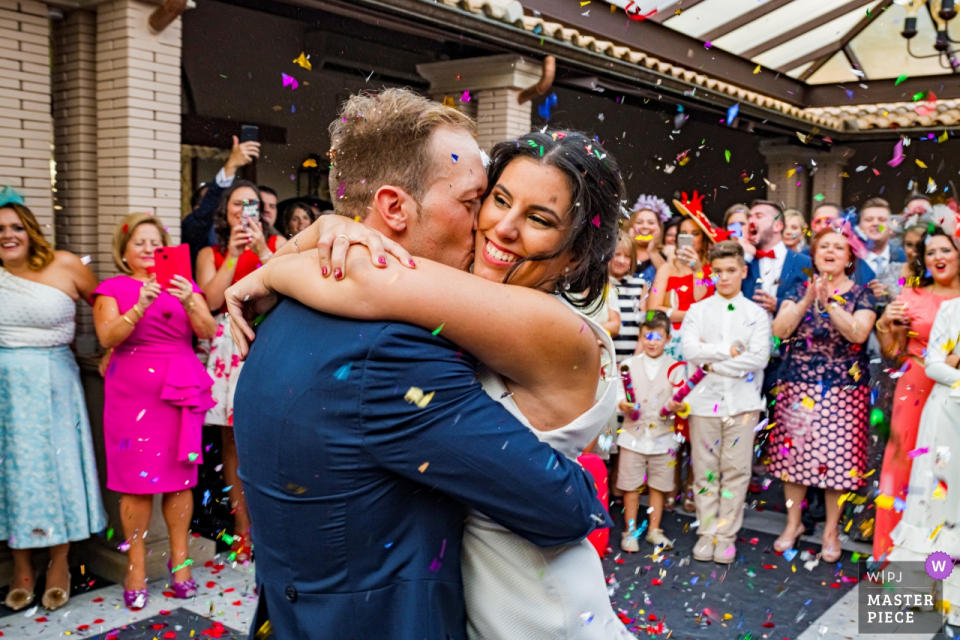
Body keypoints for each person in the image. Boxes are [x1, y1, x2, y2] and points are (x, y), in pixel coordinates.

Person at [226, 91, 622, 640]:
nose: (496, 226)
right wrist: (314, 240)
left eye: (537, 217)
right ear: (393, 207)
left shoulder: (308, 307)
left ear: (574, 252)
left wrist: (278, 266)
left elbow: (374, 279)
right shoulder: (393, 344)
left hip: (539, 614)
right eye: (484, 200)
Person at [92, 212, 217, 610]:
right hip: (131, 394)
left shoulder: (185, 284)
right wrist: (140, 304)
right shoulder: (111, 288)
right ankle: (136, 567)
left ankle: (180, 565)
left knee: (181, 481)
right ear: (124, 251)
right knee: (135, 485)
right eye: (139, 242)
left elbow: (207, 330)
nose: (148, 249)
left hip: (179, 390)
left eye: (155, 242)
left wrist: (187, 299)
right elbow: (107, 335)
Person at [0, 192, 106, 612]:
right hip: (6, 387)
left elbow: (104, 306)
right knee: (14, 473)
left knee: (58, 469)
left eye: (15, 226)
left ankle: (61, 560)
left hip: (56, 383)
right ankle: (22, 565)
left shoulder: (66, 264)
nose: (7, 235)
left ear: (29, 228)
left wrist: (111, 349)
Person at [766, 227, 877, 561]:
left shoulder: (862, 293)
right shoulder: (798, 287)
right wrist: (807, 301)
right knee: (793, 460)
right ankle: (793, 524)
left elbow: (857, 334)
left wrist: (829, 303)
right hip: (797, 383)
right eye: (823, 246)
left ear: (849, 257)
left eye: (838, 247)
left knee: (836, 465)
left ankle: (831, 530)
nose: (830, 251)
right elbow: (779, 330)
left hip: (843, 390)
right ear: (813, 255)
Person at [195, 180, 283, 562]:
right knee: (232, 445)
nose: (243, 209)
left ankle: (273, 528)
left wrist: (261, 247)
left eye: (251, 204)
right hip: (227, 348)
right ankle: (242, 529)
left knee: (269, 440)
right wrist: (232, 254)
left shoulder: (279, 247)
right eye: (236, 203)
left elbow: (285, 288)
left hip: (269, 343)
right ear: (225, 211)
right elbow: (211, 300)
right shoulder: (209, 252)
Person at [873, 225, 960, 560]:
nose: (938, 257)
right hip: (915, 386)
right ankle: (894, 555)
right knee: (903, 467)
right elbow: (892, 352)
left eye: (945, 249)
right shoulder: (912, 294)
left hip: (953, 394)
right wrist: (885, 324)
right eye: (930, 252)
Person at [681, 241, 770, 563]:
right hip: (705, 402)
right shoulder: (698, 310)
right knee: (705, 470)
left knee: (736, 471)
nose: (724, 277)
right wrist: (728, 351)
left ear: (744, 272)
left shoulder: (756, 313)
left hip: (743, 403)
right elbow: (690, 350)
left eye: (731, 271)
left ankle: (726, 534)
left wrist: (712, 364)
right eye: (718, 271)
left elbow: (758, 358)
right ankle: (706, 532)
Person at [886, 295, 960, 624]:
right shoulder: (952, 308)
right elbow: (934, 364)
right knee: (937, 502)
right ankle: (926, 591)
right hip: (946, 417)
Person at [616, 311, 684, 552]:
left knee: (658, 485)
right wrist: (623, 404)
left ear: (668, 338)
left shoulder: (676, 369)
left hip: (663, 438)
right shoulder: (628, 365)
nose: (652, 342)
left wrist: (679, 407)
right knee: (631, 485)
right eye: (647, 336)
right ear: (641, 336)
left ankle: (654, 530)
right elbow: (618, 396)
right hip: (633, 437)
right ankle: (630, 530)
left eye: (658, 337)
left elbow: (682, 403)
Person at [181, 136, 260, 272]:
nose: (242, 210)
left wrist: (263, 250)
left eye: (248, 203)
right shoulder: (200, 236)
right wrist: (231, 165)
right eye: (236, 203)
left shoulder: (267, 238)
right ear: (198, 208)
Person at [647, 216, 714, 358]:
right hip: (670, 339)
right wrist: (690, 315)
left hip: (700, 339)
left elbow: (704, 304)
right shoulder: (666, 269)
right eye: (684, 233)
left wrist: (697, 272)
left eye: (695, 233)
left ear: (704, 238)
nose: (689, 237)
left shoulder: (713, 270)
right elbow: (652, 310)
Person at [741, 200, 813, 318]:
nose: (751, 221)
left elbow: (809, 304)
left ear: (777, 226)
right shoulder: (744, 262)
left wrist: (779, 305)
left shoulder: (804, 263)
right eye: (750, 217)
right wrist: (745, 257)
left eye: (759, 216)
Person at [860, 198, 907, 302]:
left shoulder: (905, 258)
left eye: (882, 219)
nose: (876, 223)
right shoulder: (849, 261)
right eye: (869, 220)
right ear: (861, 227)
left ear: (890, 228)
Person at [610, 231, 642, 362]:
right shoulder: (599, 284)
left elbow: (646, 321)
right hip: (607, 360)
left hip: (632, 360)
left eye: (627, 256)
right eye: (617, 254)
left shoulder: (640, 285)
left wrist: (634, 361)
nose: (621, 260)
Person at [629, 195, 670, 281]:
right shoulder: (619, 253)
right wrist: (628, 244)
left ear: (659, 228)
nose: (645, 226)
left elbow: (669, 280)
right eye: (639, 222)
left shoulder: (668, 253)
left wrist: (652, 251)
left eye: (651, 223)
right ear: (632, 227)